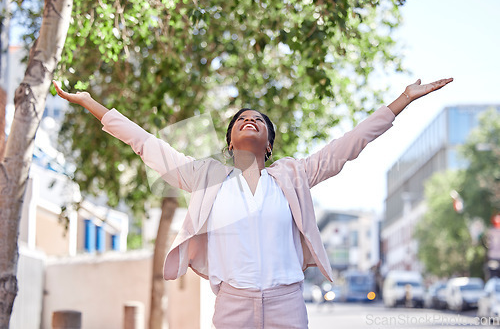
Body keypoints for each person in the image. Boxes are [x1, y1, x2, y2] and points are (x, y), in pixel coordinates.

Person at [53, 77, 453, 328]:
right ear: (230, 141)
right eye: (242, 118)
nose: (250, 120)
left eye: (259, 120)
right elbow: (146, 144)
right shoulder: (206, 178)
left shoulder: (293, 177)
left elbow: (349, 145)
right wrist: (92, 104)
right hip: (233, 306)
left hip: (287, 304)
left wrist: (401, 100)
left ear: (270, 143)